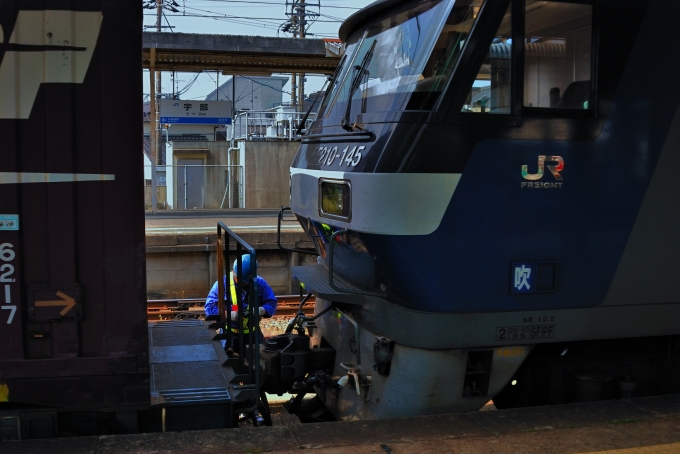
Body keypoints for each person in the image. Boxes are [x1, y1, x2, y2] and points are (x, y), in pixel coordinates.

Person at [205, 254, 277, 350]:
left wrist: (261, 310)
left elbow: (272, 303)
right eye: (235, 276)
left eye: (241, 280)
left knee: (258, 363)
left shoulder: (260, 283)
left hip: (253, 335)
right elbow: (209, 308)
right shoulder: (223, 283)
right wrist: (227, 314)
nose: (236, 280)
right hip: (229, 336)